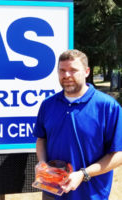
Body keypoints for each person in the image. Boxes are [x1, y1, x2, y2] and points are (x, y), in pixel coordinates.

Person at [34, 49, 122, 200]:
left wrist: (83, 174)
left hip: (91, 194)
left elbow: (118, 155)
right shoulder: (48, 105)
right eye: (62, 71)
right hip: (52, 192)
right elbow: (41, 139)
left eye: (73, 70)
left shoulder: (107, 106)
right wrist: (42, 163)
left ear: (87, 71)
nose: (67, 75)